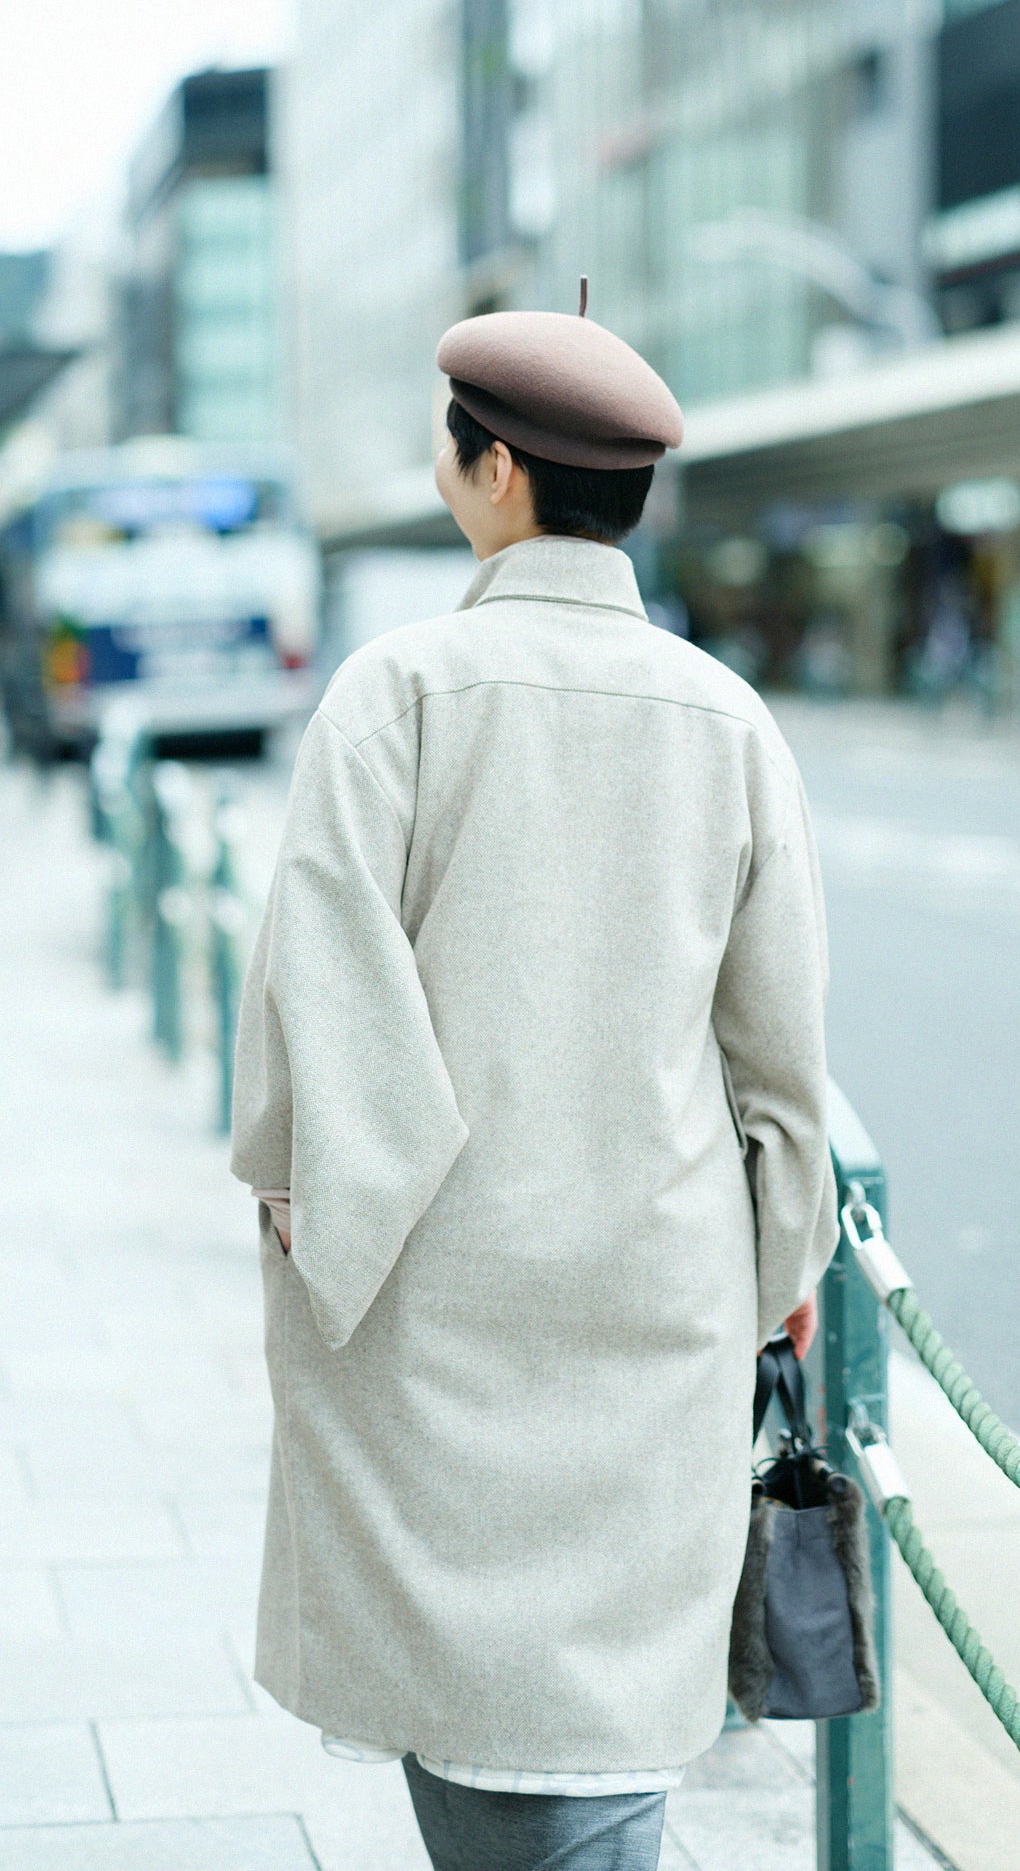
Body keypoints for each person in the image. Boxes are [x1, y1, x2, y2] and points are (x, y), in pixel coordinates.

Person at [230, 302, 839, 1871]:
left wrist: (315, 1217)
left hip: (437, 1297)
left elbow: (318, 998)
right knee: (604, 1726)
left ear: (493, 468)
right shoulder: (727, 719)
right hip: (653, 1303)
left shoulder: (398, 692)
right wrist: (776, 1269)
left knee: (468, 1715)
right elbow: (780, 1069)